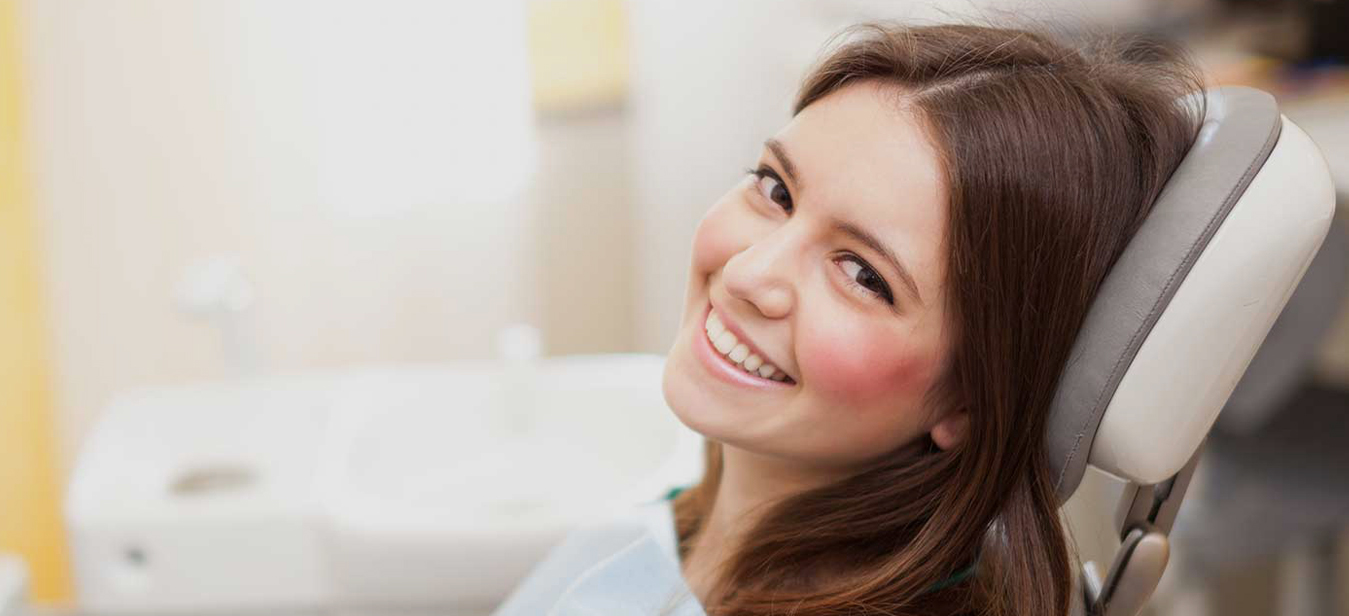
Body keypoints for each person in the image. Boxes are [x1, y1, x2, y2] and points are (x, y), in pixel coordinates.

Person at [493, 21, 1204, 616]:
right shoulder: (683, 526)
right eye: (776, 190)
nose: (746, 275)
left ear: (971, 399)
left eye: (863, 275)